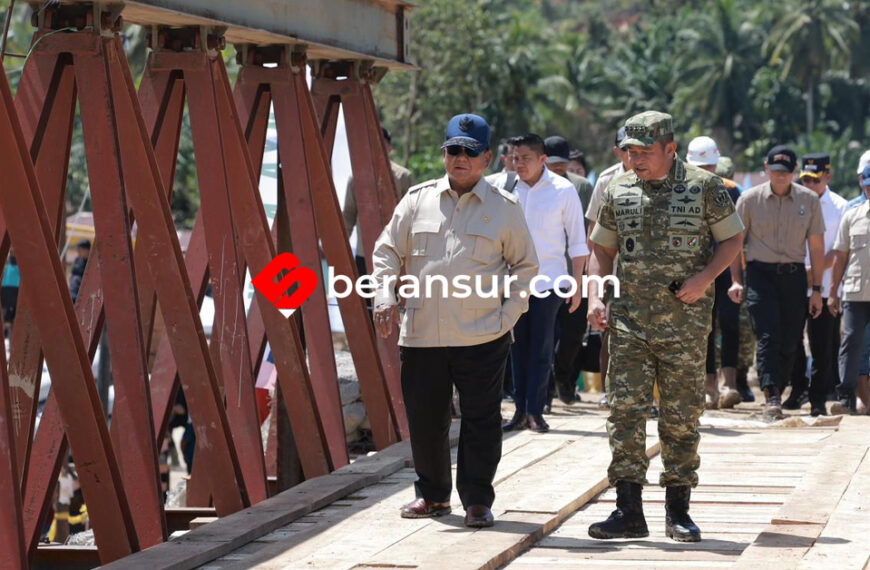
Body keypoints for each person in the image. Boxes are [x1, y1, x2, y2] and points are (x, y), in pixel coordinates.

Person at [371, 113, 538, 527]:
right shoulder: (417, 199)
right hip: (422, 334)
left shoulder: (505, 208)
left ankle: (477, 500)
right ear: (443, 154)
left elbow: (525, 267)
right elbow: (386, 251)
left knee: (481, 420)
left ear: (485, 158)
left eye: (469, 151)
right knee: (426, 419)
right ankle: (432, 496)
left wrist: (507, 316)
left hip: (483, 334)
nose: (459, 158)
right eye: (453, 150)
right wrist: (383, 295)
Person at [586, 111, 744, 543]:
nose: (635, 160)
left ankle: (678, 512)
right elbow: (600, 249)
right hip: (630, 323)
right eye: (629, 152)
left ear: (670, 149)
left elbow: (732, 239)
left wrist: (704, 278)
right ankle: (628, 511)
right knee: (624, 414)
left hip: (684, 324)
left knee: (680, 417)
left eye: (644, 153)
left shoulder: (704, 187)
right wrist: (597, 295)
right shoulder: (617, 188)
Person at [728, 145, 825, 418]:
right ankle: (771, 395)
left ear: (795, 171)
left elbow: (816, 248)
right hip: (761, 276)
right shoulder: (748, 200)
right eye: (776, 171)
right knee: (768, 336)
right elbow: (735, 244)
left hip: (794, 276)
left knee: (791, 339)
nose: (781, 177)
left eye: (786, 172)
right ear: (767, 169)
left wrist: (817, 289)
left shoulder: (809, 201)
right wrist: (736, 280)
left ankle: (777, 389)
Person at [501, 134, 588, 433]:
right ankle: (519, 411)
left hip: (550, 281)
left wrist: (577, 284)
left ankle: (536, 411)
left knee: (541, 348)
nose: (519, 164)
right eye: (514, 158)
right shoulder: (505, 188)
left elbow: (577, 242)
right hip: (511, 283)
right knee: (515, 348)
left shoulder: (563, 190)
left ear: (542, 159)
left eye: (525, 158)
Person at [785, 154, 848, 416]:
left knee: (821, 343)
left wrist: (817, 270)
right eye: (806, 179)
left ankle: (819, 397)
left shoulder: (840, 206)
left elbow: (841, 249)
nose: (809, 184)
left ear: (828, 177)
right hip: (797, 280)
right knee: (792, 340)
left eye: (815, 179)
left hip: (825, 284)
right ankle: (797, 387)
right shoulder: (793, 202)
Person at [686, 136, 743, 409]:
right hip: (698, 270)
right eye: (701, 166)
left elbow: (737, 238)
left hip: (726, 266)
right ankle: (709, 386)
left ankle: (728, 383)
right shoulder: (683, 189)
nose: (706, 171)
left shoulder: (731, 190)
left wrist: (736, 278)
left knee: (731, 322)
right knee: (704, 327)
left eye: (709, 166)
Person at [585, 127, 633, 409]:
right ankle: (611, 391)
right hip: (614, 270)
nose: (632, 154)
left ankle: (653, 398)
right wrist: (596, 288)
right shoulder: (606, 181)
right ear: (617, 152)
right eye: (627, 149)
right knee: (611, 331)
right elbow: (595, 235)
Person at [343, 127, 415, 278]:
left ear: (390, 148)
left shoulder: (403, 177)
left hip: (397, 254)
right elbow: (348, 216)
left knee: (397, 298)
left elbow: (415, 216)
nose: (376, 149)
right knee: (366, 300)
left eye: (381, 144)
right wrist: (339, 249)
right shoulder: (355, 178)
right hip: (365, 254)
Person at [828, 164, 870, 415]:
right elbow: (840, 257)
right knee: (851, 341)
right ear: (862, 186)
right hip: (855, 292)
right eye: (867, 185)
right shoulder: (851, 216)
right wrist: (832, 291)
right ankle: (845, 398)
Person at [544, 136, 594, 213]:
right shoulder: (532, 185)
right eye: (553, 162)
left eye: (562, 162)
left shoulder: (582, 186)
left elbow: (593, 219)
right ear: (543, 160)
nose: (558, 166)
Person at [1, 253, 20, 338]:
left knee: (6, 315)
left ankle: (5, 333)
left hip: (5, 290)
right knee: (11, 316)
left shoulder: (6, 268)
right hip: (14, 291)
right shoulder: (18, 269)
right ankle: (7, 334)